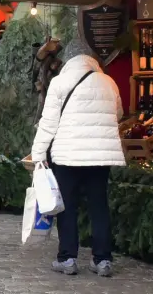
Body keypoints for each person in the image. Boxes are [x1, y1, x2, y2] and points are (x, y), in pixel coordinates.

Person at [30, 49, 125, 278]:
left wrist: (38, 153)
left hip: (67, 156)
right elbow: (118, 113)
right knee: (99, 206)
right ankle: (102, 260)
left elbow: (49, 122)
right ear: (93, 64)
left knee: (67, 207)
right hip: (100, 156)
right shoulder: (109, 82)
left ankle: (68, 258)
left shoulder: (60, 82)